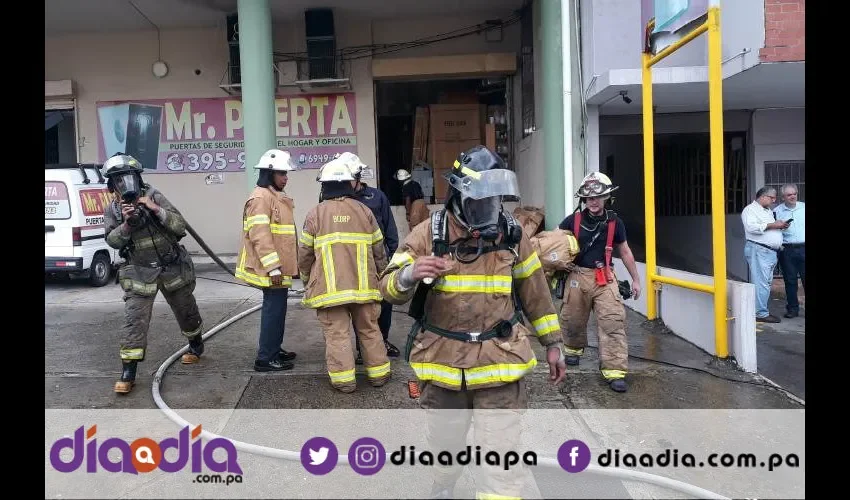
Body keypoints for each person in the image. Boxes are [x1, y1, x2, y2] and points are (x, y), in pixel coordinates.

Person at [379, 145, 566, 498]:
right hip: (443, 364)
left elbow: (535, 292)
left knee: (502, 456)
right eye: (479, 202)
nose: (488, 210)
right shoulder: (427, 234)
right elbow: (387, 289)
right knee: (444, 445)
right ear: (459, 196)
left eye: (493, 201)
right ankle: (444, 484)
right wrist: (410, 274)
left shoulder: (511, 235)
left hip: (500, 362)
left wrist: (553, 343)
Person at [102, 153, 205, 394]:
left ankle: (195, 344)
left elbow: (180, 225)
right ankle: (128, 371)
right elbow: (112, 241)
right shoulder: (114, 210)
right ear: (112, 185)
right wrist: (127, 223)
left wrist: (154, 208)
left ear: (137, 178)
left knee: (186, 310)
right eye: (118, 179)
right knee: (134, 321)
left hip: (172, 266)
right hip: (139, 272)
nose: (124, 183)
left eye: (128, 177)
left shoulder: (155, 196)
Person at [298, 155, 391, 393]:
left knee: (337, 336)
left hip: (330, 291)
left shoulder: (315, 214)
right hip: (365, 288)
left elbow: (305, 254)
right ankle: (379, 375)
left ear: (325, 185)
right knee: (370, 331)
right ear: (349, 183)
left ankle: (344, 381)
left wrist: (307, 279)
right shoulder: (364, 211)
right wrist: (383, 276)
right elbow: (379, 250)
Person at [556, 172, 642, 393]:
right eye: (588, 198)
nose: (593, 202)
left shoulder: (615, 223)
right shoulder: (572, 221)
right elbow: (553, 245)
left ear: (606, 197)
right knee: (572, 319)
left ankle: (615, 371)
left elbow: (625, 251)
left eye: (597, 197)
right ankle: (573, 351)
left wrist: (636, 280)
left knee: (613, 321)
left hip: (604, 277)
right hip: (577, 275)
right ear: (584, 200)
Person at [236, 149, 300, 372]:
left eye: (286, 173)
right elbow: (260, 235)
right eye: (282, 173)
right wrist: (273, 268)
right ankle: (266, 358)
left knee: (278, 309)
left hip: (277, 268)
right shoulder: (260, 198)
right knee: (274, 310)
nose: (286, 177)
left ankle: (274, 348)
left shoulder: (272, 196)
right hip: (269, 269)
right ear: (269, 174)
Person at [343, 153, 401, 363]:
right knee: (361, 306)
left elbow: (390, 228)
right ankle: (363, 348)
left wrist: (394, 257)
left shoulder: (377, 197)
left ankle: (382, 340)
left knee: (385, 302)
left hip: (379, 261)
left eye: (349, 177)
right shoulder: (337, 200)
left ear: (358, 177)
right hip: (353, 263)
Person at [742, 186, 789, 323]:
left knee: (765, 282)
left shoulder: (768, 211)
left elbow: (770, 228)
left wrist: (780, 226)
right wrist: (773, 225)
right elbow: (751, 227)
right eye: (772, 197)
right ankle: (760, 313)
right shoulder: (750, 210)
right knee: (761, 282)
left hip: (769, 252)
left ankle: (760, 310)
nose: (774, 200)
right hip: (759, 250)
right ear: (762, 196)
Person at [773, 183, 805, 318]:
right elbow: (773, 231)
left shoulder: (804, 207)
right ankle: (792, 309)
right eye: (789, 194)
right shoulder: (777, 211)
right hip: (787, 249)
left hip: (804, 247)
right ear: (783, 197)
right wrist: (780, 227)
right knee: (790, 280)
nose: (792, 196)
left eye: (794, 194)